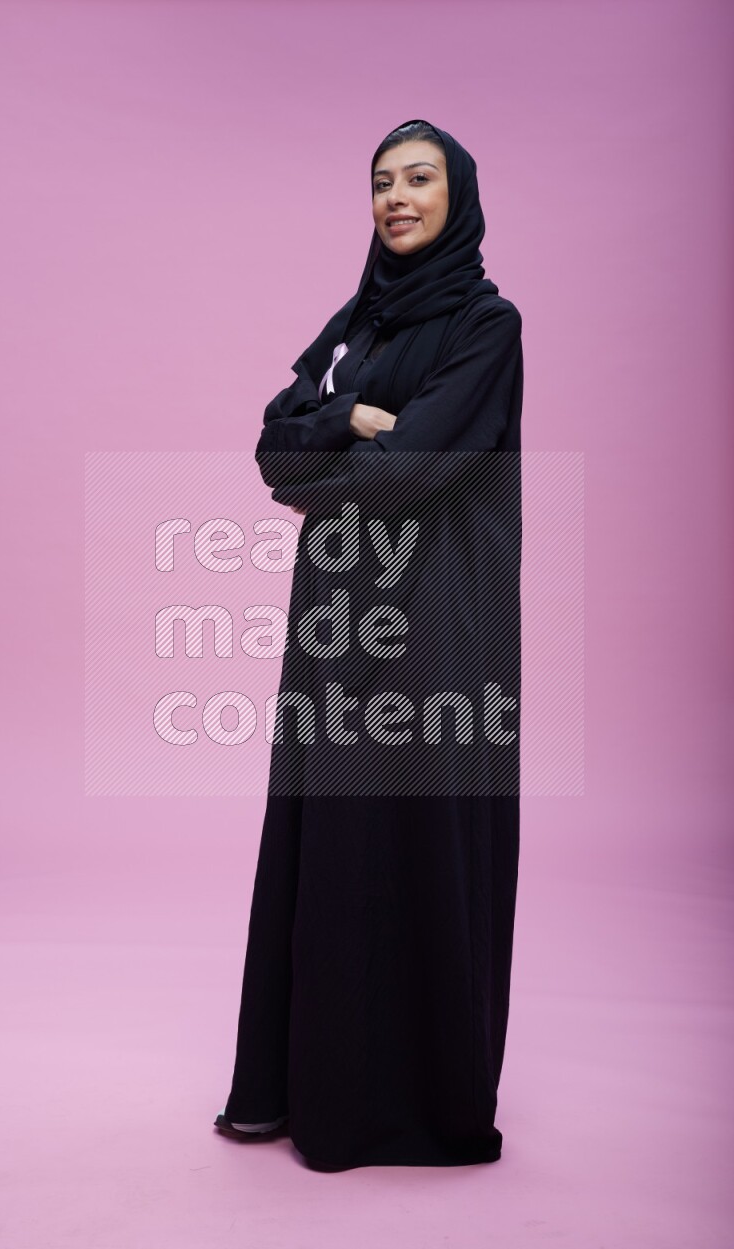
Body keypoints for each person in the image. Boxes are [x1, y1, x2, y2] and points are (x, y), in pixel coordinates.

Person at [214, 119, 523, 1170]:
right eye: (381, 182)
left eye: (418, 178)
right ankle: (320, 1088)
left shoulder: (486, 323)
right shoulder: (358, 325)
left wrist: (339, 446)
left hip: (434, 620)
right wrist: (354, 417)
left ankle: (418, 1103)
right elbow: (272, 448)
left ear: (457, 195)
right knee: (333, 842)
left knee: (414, 830)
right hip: (335, 612)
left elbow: (412, 474)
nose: (396, 197)